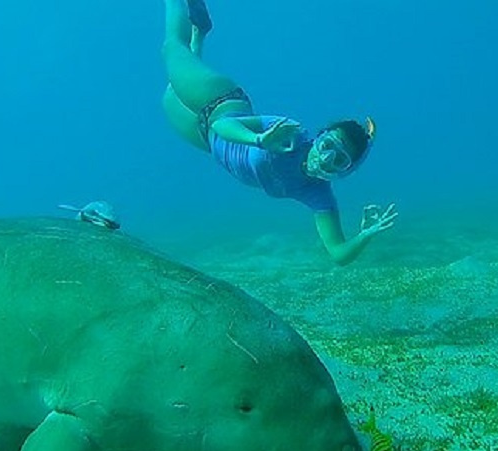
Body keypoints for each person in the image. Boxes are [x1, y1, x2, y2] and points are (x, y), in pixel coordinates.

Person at [160, 0, 397, 265]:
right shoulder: (290, 133)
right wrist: (259, 140)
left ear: (345, 171)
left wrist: (366, 234)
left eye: (340, 160)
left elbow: (338, 253)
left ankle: (199, 34)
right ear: (319, 137)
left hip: (207, 141)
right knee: (172, 48)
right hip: (217, 103)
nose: (327, 159)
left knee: (170, 93)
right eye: (329, 145)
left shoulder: (318, 194)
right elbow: (222, 126)